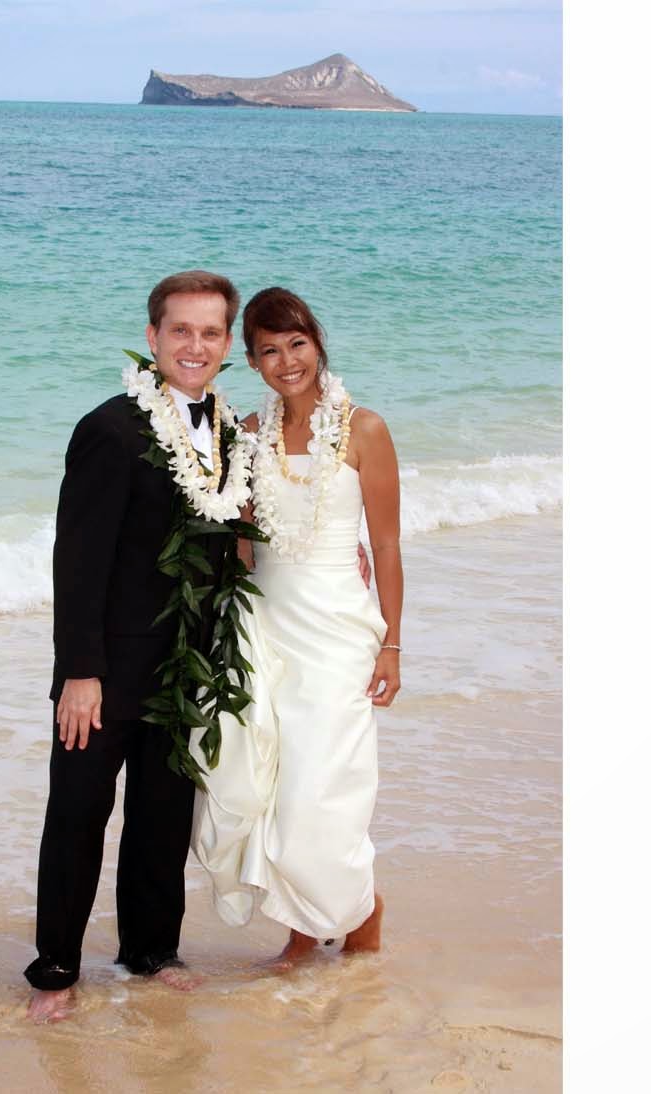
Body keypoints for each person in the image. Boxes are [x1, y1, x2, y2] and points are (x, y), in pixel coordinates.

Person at [25, 270, 251, 1022]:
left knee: (162, 815)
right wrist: (79, 672)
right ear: (153, 337)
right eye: (180, 330)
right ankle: (56, 968)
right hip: (106, 669)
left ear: (227, 343)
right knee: (78, 814)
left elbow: (233, 540)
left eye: (210, 332)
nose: (195, 345)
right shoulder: (110, 429)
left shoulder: (229, 434)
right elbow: (77, 559)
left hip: (184, 664)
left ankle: (151, 952)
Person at [189, 286, 404, 965]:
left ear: (317, 343)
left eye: (297, 344)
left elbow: (387, 544)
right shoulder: (251, 434)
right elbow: (243, 535)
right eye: (269, 351)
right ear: (252, 362)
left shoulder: (365, 429)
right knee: (276, 782)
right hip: (269, 625)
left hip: (339, 629)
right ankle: (302, 928)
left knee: (325, 782)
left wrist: (392, 643)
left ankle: (361, 911)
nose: (287, 362)